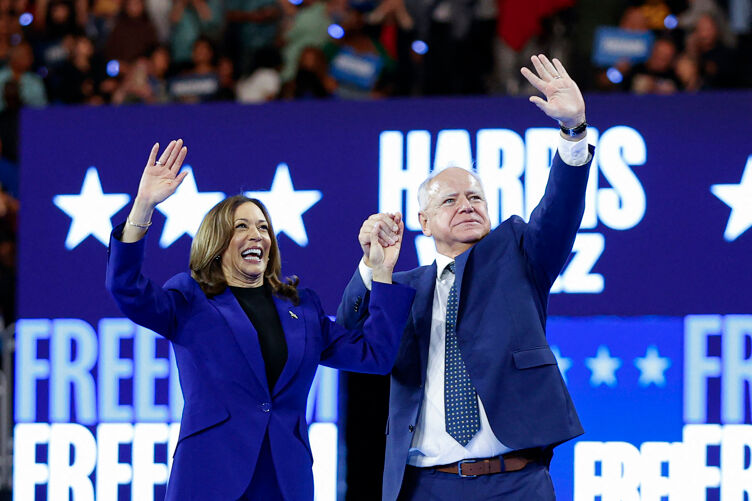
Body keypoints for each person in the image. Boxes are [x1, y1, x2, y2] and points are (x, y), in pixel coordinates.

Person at [337, 54, 593, 500]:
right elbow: (348, 332)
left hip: (517, 481)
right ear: (423, 220)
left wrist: (573, 132)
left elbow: (559, 213)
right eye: (450, 201)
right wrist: (372, 267)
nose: (467, 205)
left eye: (475, 197)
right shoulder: (401, 289)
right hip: (427, 484)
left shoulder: (518, 254)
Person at [106, 139, 416, 500]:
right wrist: (143, 207)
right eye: (241, 227)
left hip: (286, 481)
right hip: (209, 479)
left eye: (263, 227)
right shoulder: (190, 299)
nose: (256, 235)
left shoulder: (303, 308)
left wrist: (381, 272)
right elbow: (126, 288)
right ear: (217, 242)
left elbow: (375, 357)